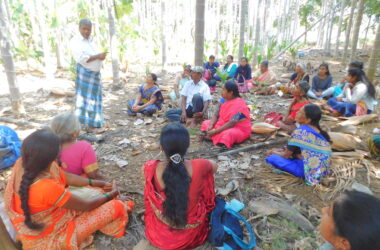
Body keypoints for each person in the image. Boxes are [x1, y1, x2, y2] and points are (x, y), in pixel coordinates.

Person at [4, 129, 133, 249]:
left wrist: (94, 182)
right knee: (116, 206)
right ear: (53, 157)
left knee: (93, 189)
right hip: (52, 238)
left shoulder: (23, 162)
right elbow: (87, 206)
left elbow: (66, 177)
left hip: (48, 217)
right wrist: (112, 195)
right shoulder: (46, 187)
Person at [143, 124, 217, 249]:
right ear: (187, 147)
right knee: (206, 176)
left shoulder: (150, 167)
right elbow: (215, 167)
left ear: (161, 148)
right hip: (190, 237)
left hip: (158, 235)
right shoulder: (200, 166)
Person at [265, 104, 331, 185]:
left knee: (272, 158)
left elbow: (285, 155)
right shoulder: (321, 133)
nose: (297, 113)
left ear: (308, 120)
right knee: (287, 154)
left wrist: (272, 152)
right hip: (323, 170)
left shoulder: (301, 131)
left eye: (300, 112)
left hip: (306, 171)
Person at [71, 18, 107, 131]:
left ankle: (95, 122)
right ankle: (86, 124)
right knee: (85, 99)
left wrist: (101, 57)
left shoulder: (91, 40)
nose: (86, 31)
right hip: (85, 73)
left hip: (95, 75)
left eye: (89, 29)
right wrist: (98, 56)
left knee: (95, 99)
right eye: (84, 29)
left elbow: (94, 54)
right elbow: (82, 59)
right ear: (79, 28)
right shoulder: (75, 41)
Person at [51, 113, 104, 180]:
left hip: (54, 185)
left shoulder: (47, 147)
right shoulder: (84, 147)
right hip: (78, 185)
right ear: (75, 133)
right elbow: (93, 175)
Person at [200, 80, 251, 148]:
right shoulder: (223, 100)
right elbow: (216, 114)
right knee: (206, 123)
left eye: (224, 90)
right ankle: (213, 136)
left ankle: (215, 137)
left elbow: (232, 122)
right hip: (222, 124)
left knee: (228, 134)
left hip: (237, 128)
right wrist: (212, 124)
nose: (221, 91)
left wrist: (215, 131)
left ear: (230, 93)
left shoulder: (239, 104)